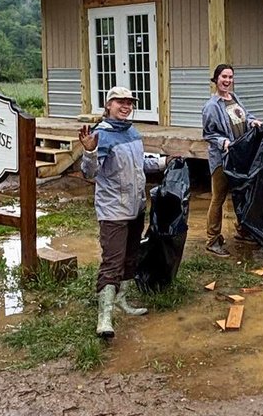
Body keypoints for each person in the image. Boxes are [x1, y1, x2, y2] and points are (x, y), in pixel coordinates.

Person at [79, 86, 165, 338]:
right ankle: (104, 317)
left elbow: (140, 164)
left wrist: (164, 162)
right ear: (108, 105)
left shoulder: (132, 132)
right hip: (113, 211)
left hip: (136, 207)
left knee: (130, 257)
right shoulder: (101, 135)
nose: (126, 106)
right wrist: (90, 151)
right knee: (112, 262)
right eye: (120, 102)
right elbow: (89, 173)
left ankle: (122, 301)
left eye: (129, 103)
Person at [201, 63, 263, 257]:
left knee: (241, 194)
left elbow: (243, 116)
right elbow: (208, 134)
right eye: (223, 77)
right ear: (216, 79)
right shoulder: (211, 106)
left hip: (239, 157)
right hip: (222, 159)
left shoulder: (234, 98)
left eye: (230, 77)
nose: (227, 81)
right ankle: (212, 240)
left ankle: (242, 230)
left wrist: (253, 120)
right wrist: (223, 142)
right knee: (218, 198)